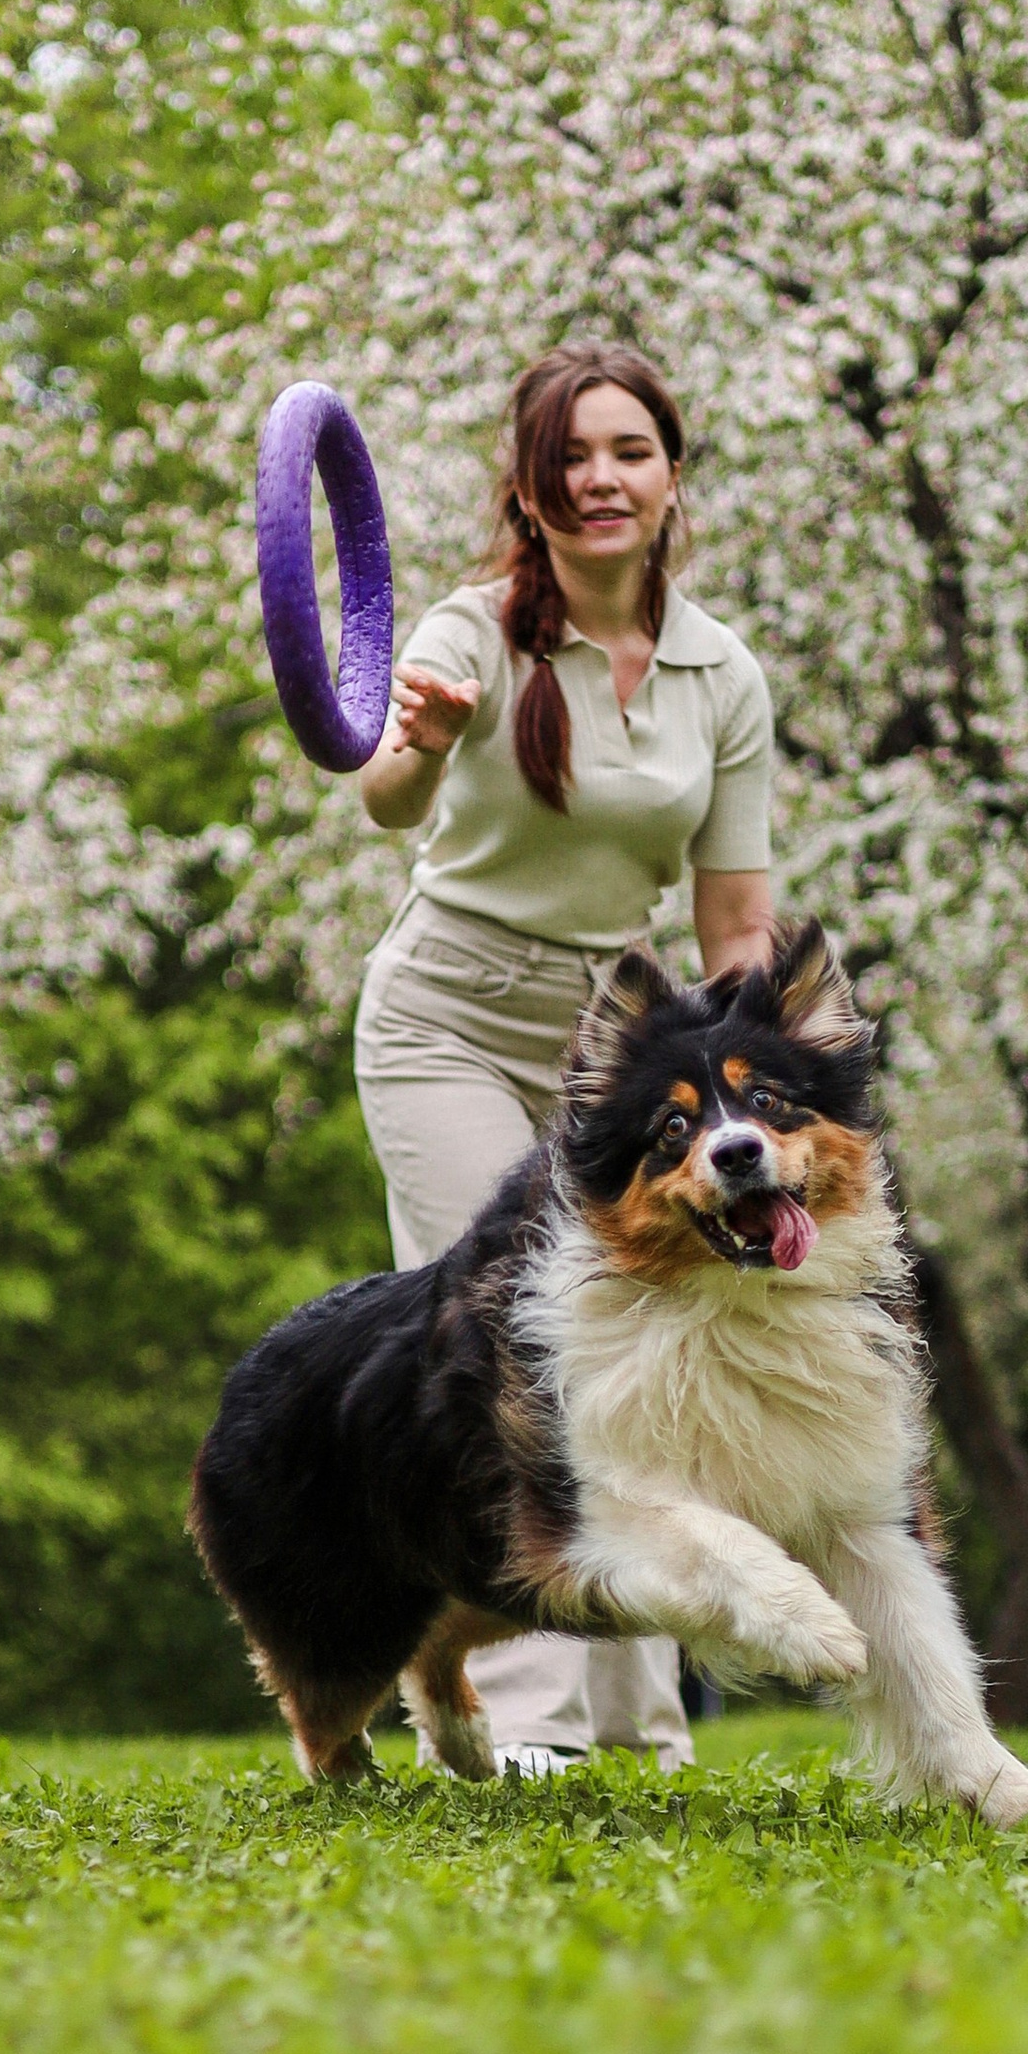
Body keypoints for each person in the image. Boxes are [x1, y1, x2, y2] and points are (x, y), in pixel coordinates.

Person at [354, 343, 779, 1773]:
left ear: (671, 475)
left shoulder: (725, 674)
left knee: (636, 1358)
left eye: (630, 451)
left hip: (611, 1059)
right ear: (529, 493)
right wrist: (419, 739)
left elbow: (734, 922)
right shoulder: (477, 631)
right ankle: (515, 1728)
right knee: (514, 1342)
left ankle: (644, 1726)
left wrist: (746, 1085)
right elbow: (383, 798)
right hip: (446, 1023)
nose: (602, 479)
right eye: (570, 459)